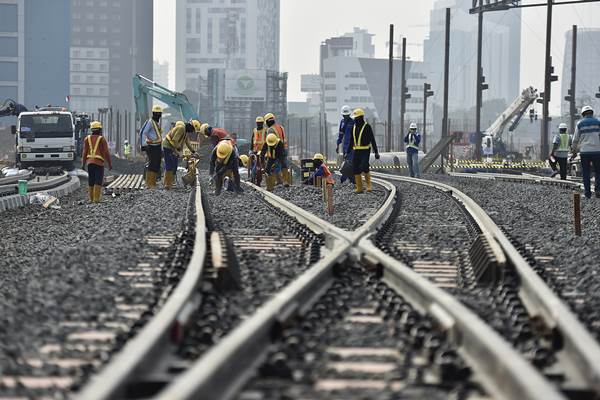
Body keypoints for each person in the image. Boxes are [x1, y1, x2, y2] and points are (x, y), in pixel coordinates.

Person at [162, 119, 202, 189]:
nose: (192, 132)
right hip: (168, 146)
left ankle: (171, 181)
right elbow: (174, 141)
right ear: (191, 127)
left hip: (173, 147)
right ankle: (167, 183)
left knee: (174, 164)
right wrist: (178, 152)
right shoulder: (181, 128)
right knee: (169, 164)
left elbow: (187, 142)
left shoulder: (185, 131)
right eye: (193, 130)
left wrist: (193, 152)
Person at [571, 105, 600, 198]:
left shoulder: (580, 123)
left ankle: (587, 194)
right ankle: (598, 191)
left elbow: (575, 139)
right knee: (598, 172)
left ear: (583, 114)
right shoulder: (598, 122)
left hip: (585, 152)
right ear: (592, 113)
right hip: (597, 151)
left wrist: (574, 151)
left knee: (586, 172)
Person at [81, 121, 112, 203]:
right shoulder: (102, 139)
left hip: (90, 163)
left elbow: (84, 152)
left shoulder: (87, 139)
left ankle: (91, 199)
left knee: (91, 180)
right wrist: (109, 164)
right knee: (98, 180)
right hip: (99, 163)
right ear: (100, 130)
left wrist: (83, 164)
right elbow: (106, 152)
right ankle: (96, 199)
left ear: (92, 130)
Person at [351, 108, 379, 193]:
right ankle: (359, 188)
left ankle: (368, 185)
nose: (355, 119)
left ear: (360, 118)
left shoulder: (367, 126)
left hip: (365, 150)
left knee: (364, 166)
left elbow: (372, 139)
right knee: (355, 168)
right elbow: (351, 140)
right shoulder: (354, 126)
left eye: (356, 118)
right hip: (356, 150)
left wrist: (376, 152)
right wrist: (347, 151)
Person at [139, 105, 163, 188]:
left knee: (156, 164)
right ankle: (149, 183)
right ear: (153, 113)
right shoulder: (150, 122)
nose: (158, 115)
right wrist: (143, 145)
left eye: (159, 113)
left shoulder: (156, 123)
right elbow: (143, 132)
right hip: (151, 147)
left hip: (157, 146)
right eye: (156, 113)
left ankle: (153, 182)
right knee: (152, 164)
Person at [264, 113, 291, 186]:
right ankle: (286, 181)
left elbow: (270, 143)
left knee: (275, 165)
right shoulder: (281, 127)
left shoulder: (270, 130)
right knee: (284, 164)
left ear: (267, 121)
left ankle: (278, 181)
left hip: (276, 150)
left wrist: (269, 154)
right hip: (284, 148)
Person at [336, 105, 354, 184]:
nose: (345, 116)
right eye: (344, 115)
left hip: (352, 146)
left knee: (348, 163)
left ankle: (343, 180)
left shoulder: (353, 122)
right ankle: (352, 180)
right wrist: (338, 145)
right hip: (345, 146)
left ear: (349, 114)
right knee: (347, 162)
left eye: (347, 115)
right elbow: (340, 135)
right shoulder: (342, 122)